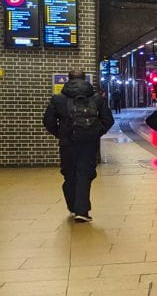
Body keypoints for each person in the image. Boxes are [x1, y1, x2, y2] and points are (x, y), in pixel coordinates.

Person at [42, 70, 114, 222]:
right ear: (84, 79)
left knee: (69, 174)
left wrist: (61, 134)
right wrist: (95, 133)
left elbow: (48, 122)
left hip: (67, 143)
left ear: (68, 80)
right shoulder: (97, 98)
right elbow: (108, 120)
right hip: (89, 144)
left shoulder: (58, 99)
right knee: (84, 174)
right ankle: (82, 211)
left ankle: (74, 207)